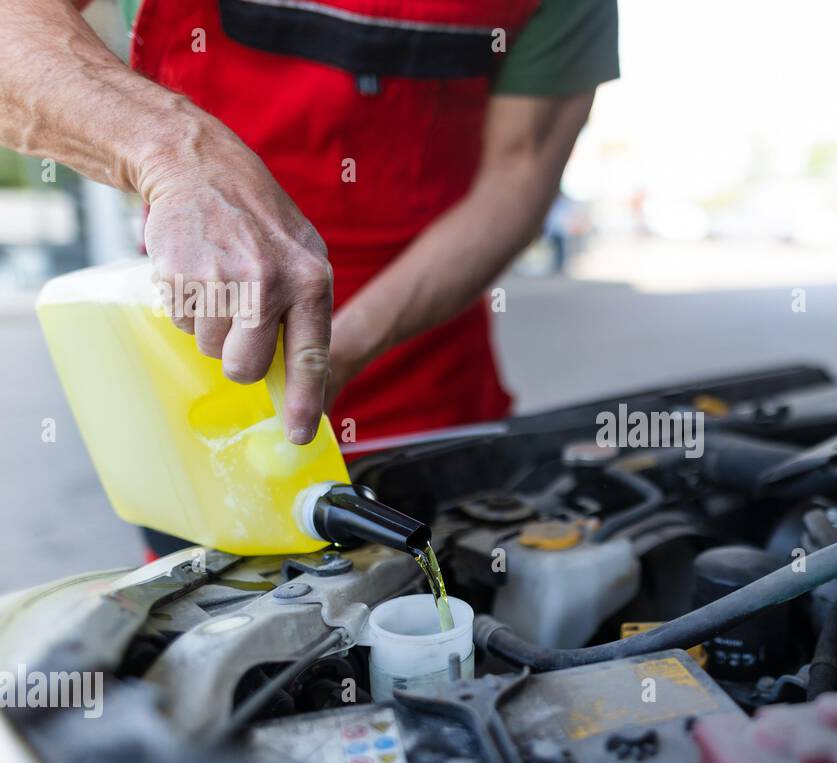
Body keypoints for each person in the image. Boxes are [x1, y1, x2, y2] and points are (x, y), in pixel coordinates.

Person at [1, 0, 616, 553]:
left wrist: (343, 349)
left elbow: (517, 177)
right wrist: (174, 153)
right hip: (205, 394)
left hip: (426, 401)